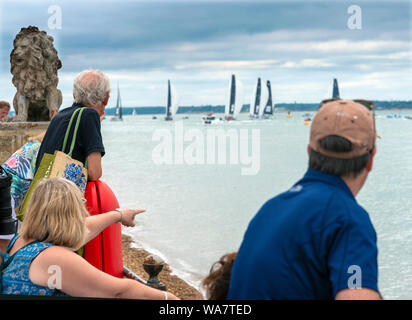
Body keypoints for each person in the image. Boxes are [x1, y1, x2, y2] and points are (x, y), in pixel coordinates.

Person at [227, 99, 381, 300]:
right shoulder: (348, 220)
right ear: (371, 158)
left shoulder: (271, 208)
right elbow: (356, 295)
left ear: (309, 151)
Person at [0, 177, 179, 299]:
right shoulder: (54, 258)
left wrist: (119, 215)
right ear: (73, 214)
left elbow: (84, 227)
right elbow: (119, 292)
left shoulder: (17, 242)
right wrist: (168, 298)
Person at [35, 69, 109, 181]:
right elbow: (95, 172)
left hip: (44, 191)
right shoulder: (89, 115)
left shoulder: (59, 116)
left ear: (74, 94)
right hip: (65, 194)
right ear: (106, 98)